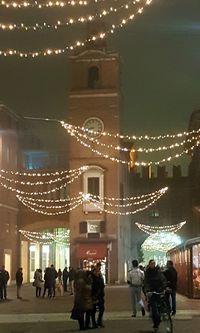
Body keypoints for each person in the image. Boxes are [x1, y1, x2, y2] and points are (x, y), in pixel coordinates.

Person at [144, 259, 168, 332]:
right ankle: (156, 323)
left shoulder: (158, 272)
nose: (153, 265)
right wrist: (148, 291)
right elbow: (146, 283)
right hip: (151, 292)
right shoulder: (147, 273)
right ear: (149, 264)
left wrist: (164, 287)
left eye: (154, 263)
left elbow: (163, 280)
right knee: (154, 310)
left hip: (159, 291)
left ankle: (163, 314)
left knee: (162, 304)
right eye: (151, 263)